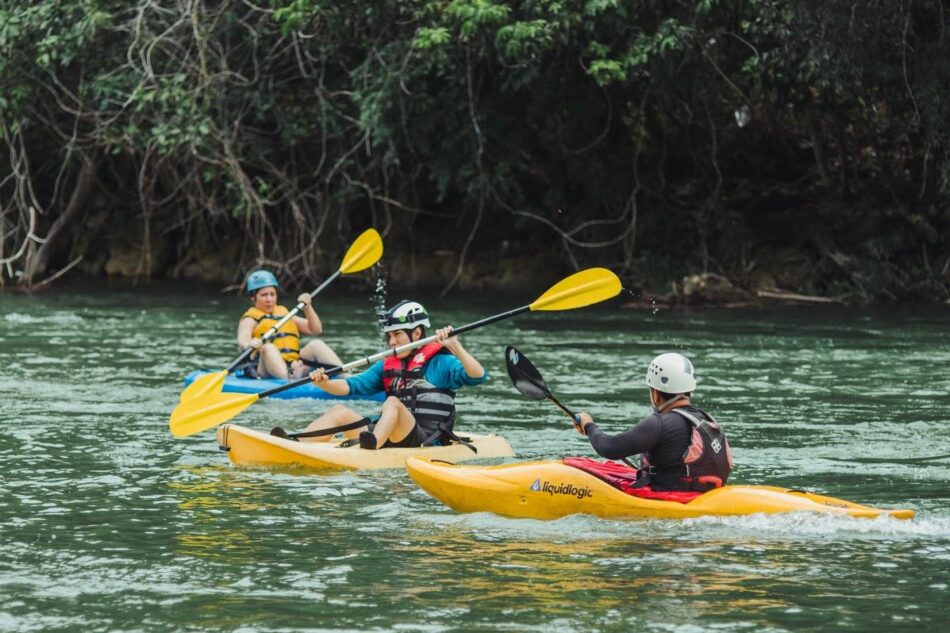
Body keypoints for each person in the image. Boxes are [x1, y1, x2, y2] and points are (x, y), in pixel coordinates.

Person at [272, 300, 487, 450]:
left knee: (392, 402)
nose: (392, 341)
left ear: (417, 333)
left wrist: (456, 346)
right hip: (389, 435)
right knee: (339, 411)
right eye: (389, 336)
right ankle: (294, 443)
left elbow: (478, 376)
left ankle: (372, 447)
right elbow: (351, 387)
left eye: (397, 334)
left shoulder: (440, 362)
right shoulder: (386, 365)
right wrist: (324, 383)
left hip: (425, 439)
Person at [574, 352, 732, 492]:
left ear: (656, 394)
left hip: (673, 500)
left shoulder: (660, 423)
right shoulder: (707, 420)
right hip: (705, 494)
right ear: (689, 389)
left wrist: (589, 426)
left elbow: (610, 448)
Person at [236, 269, 343, 380]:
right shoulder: (250, 318)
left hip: (295, 365)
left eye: (272, 294)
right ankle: (289, 378)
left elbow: (316, 330)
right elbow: (242, 340)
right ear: (253, 298)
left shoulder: (285, 314)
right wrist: (250, 343)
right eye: (264, 295)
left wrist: (308, 308)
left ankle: (347, 377)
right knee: (268, 347)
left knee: (316, 344)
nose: (269, 299)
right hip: (266, 369)